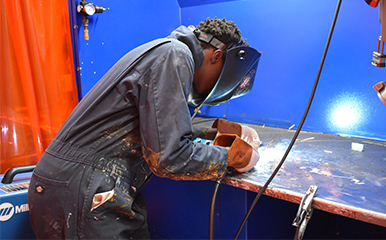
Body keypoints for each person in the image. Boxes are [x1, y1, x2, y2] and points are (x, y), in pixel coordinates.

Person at [27, 17, 261, 239]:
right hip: (81, 193)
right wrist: (233, 157)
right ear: (217, 56)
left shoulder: (167, 52)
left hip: (91, 188)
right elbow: (169, 158)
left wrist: (208, 133)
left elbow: (152, 127)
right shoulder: (175, 55)